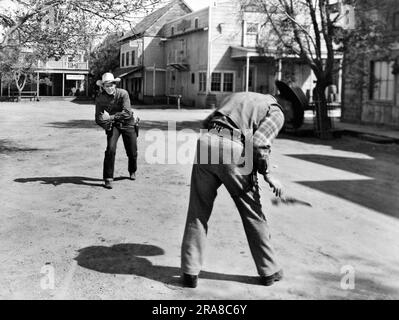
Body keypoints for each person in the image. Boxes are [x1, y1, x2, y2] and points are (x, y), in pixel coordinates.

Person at [180, 80, 308, 288]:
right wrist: (267, 174)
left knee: (197, 210)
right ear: (290, 105)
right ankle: (269, 270)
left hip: (206, 143)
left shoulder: (241, 96)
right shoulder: (277, 112)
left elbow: (207, 123)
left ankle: (189, 271)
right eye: (295, 114)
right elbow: (258, 143)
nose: (291, 120)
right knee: (253, 213)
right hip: (233, 149)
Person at [95, 72, 138, 189]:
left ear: (115, 84)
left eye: (111, 85)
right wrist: (106, 125)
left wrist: (111, 117)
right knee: (110, 149)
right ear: (103, 86)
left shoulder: (123, 94)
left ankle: (132, 170)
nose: (109, 88)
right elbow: (98, 117)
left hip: (128, 123)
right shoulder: (100, 98)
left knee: (132, 152)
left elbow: (127, 112)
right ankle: (108, 178)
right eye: (106, 85)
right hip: (113, 125)